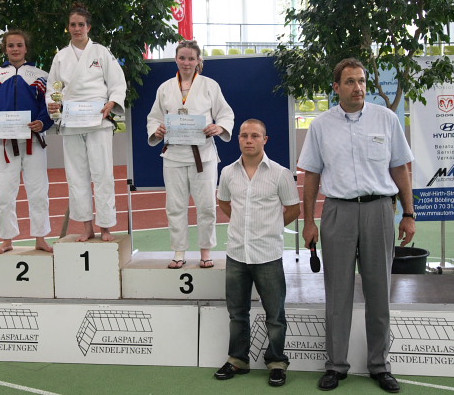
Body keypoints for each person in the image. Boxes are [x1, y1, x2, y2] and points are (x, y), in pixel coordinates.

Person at [297, 58, 416, 393]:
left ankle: (380, 366)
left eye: (361, 81)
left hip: (380, 211)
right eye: (350, 82)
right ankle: (336, 366)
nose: (358, 88)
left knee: (379, 292)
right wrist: (309, 222)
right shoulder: (321, 126)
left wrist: (408, 214)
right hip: (338, 212)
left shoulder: (386, 119)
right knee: (338, 294)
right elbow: (311, 176)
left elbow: (400, 168)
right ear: (336, 87)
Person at [214, 119, 300, 387]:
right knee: (237, 313)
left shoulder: (280, 174)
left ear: (265, 140)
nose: (248, 140)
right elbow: (223, 202)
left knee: (275, 315)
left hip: (268, 255)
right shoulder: (228, 172)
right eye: (244, 135)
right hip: (237, 254)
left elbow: (293, 209)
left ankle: (277, 362)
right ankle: (238, 360)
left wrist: (271, 227)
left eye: (254, 136)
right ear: (238, 139)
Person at [147, 40, 234, 269]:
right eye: (182, 58)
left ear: (198, 61)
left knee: (206, 206)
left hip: (202, 156)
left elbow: (226, 114)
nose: (186, 62)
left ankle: (206, 251)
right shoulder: (165, 88)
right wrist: (157, 130)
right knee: (175, 206)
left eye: (191, 58)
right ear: (176, 59)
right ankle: (179, 252)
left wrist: (219, 127)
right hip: (174, 155)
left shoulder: (210, 86)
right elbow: (154, 117)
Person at [46, 2, 127, 242]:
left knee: (103, 174)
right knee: (76, 176)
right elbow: (52, 89)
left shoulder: (101, 52)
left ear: (88, 27)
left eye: (81, 24)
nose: (77, 28)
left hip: (98, 119)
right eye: (73, 24)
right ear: (68, 27)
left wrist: (112, 102)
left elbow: (117, 83)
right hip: (71, 121)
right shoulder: (60, 57)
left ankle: (106, 226)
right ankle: (86, 227)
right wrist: (54, 104)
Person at [0, 29, 53, 255]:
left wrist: (43, 122)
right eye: (11, 45)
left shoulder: (40, 76)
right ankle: (7, 239)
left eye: (19, 45)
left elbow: (51, 106)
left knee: (38, 192)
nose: (15, 49)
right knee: (4, 194)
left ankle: (40, 237)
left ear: (26, 48)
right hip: (5, 144)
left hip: (34, 142)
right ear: (5, 49)